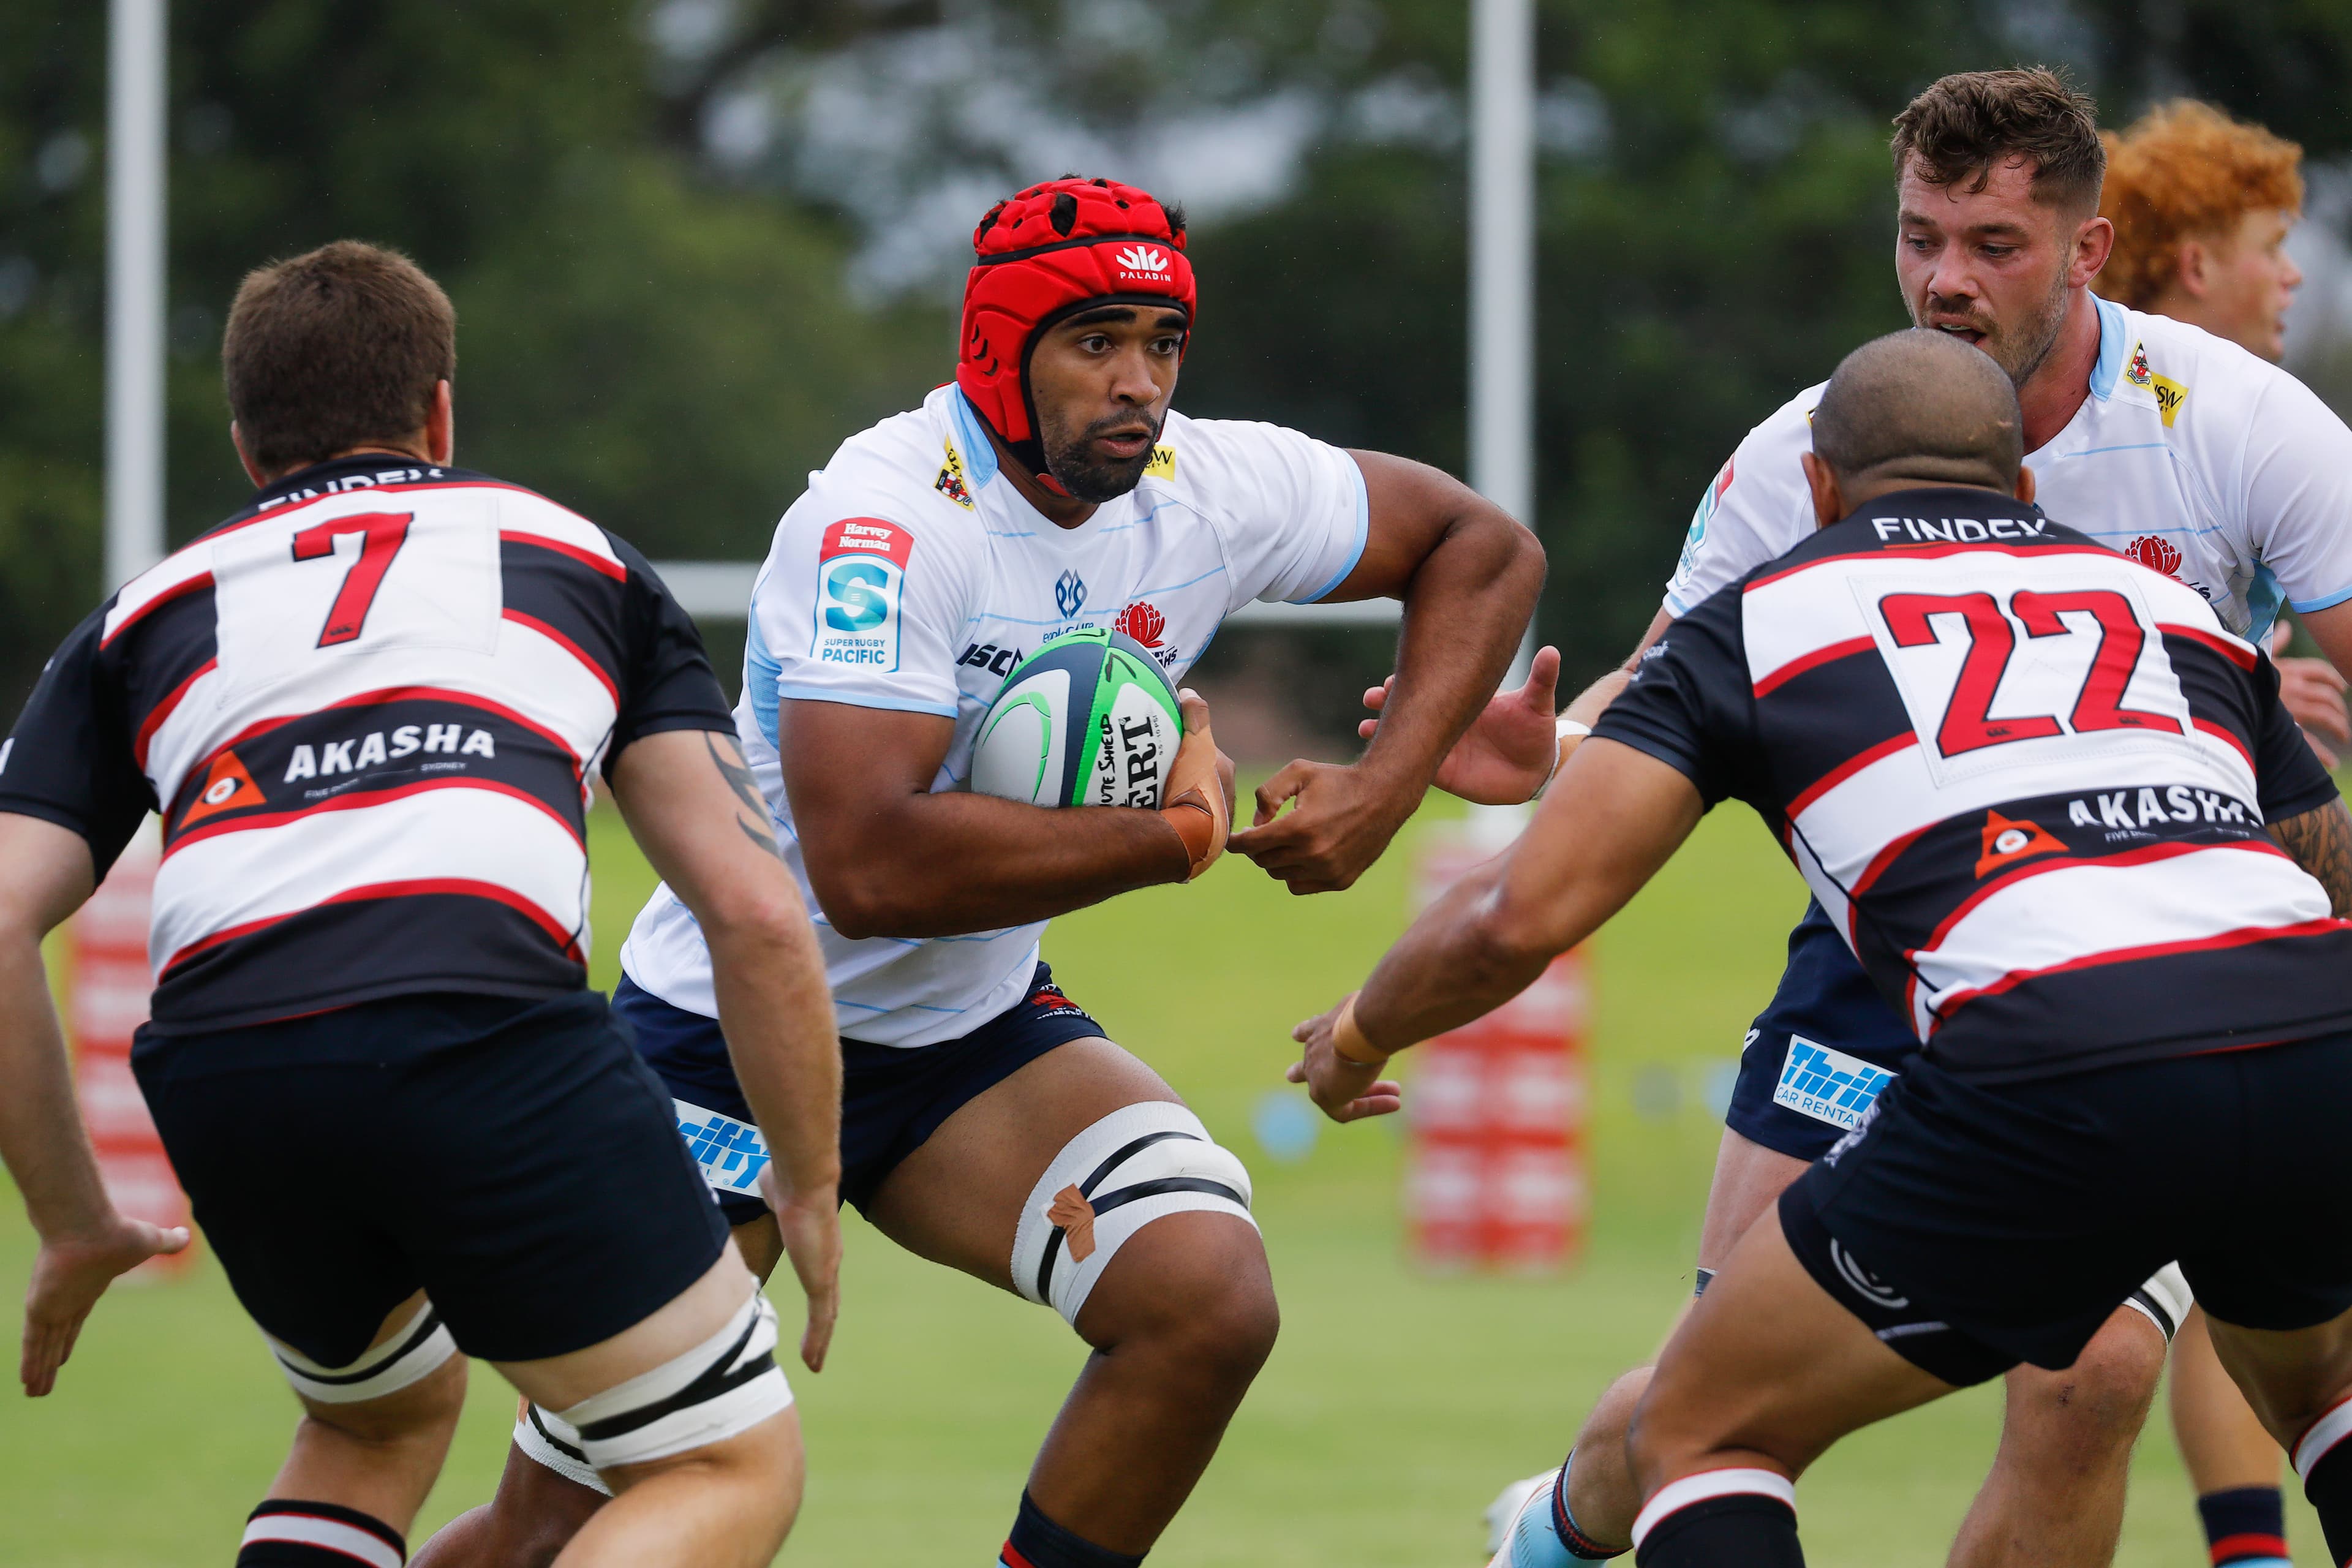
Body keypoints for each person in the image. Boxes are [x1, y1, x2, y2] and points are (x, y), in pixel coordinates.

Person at [413, 176, 1545, 1568]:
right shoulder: (885, 524)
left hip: (966, 1042)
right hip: (730, 1039)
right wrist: (1179, 836)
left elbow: (1480, 547)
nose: (1139, 385)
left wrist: (1383, 789)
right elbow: (871, 863)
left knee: (1205, 1295)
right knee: (561, 1527)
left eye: (1163, 344)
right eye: (1095, 344)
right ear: (999, 351)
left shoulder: (1205, 485)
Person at [1373, 67, 2352, 1568]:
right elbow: (1667, 677)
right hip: (1891, 938)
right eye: (1920, 238)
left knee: (2089, 1371)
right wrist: (1557, 739)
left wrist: (2267, 749)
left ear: (2089, 252)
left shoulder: (2239, 420)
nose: (1946, 280)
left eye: (1994, 245)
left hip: (2147, 925)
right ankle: (1560, 1531)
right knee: (1713, 1372)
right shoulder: (1802, 444)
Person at [0, 241, 843, 1568]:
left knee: (374, 1426)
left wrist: (71, 1219)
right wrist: (808, 1174)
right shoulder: (581, 559)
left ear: (245, 446)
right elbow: (755, 910)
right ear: (441, 413)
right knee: (720, 1460)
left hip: (223, 1059)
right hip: (478, 1021)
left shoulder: (137, 615)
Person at [2098, 96, 2317, 1568]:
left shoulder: (2266, 441)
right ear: (2187, 266)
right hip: (2083, 918)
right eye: (2269, 246)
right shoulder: (2138, 423)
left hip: (2222, 910)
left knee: (2207, 1283)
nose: (2292, 276)